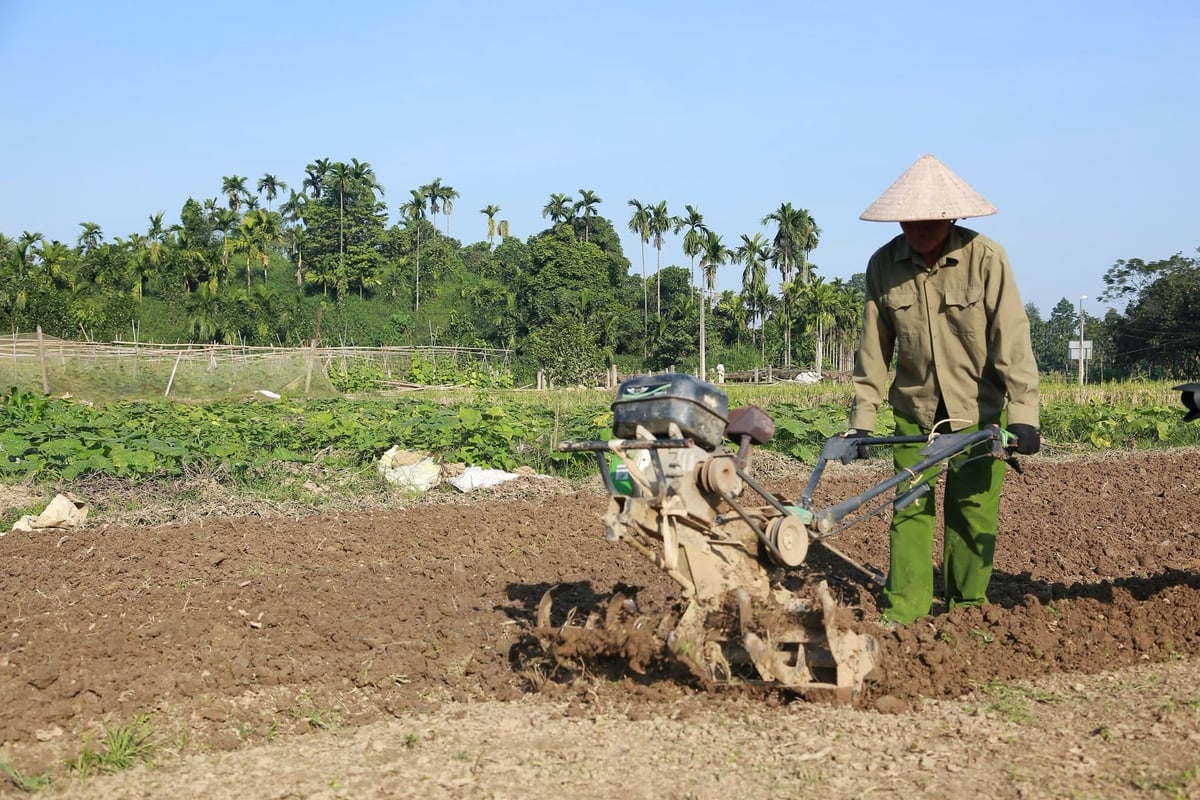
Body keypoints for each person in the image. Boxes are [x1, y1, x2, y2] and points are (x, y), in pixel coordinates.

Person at [847, 154, 1041, 626]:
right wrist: (861, 423)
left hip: (979, 412)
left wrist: (1025, 415)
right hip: (914, 412)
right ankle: (905, 612)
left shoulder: (987, 259)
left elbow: (1011, 340)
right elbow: (873, 351)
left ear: (951, 216)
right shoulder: (884, 266)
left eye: (929, 219)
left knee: (972, 510)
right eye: (909, 220)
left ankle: (967, 611)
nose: (919, 228)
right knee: (909, 508)